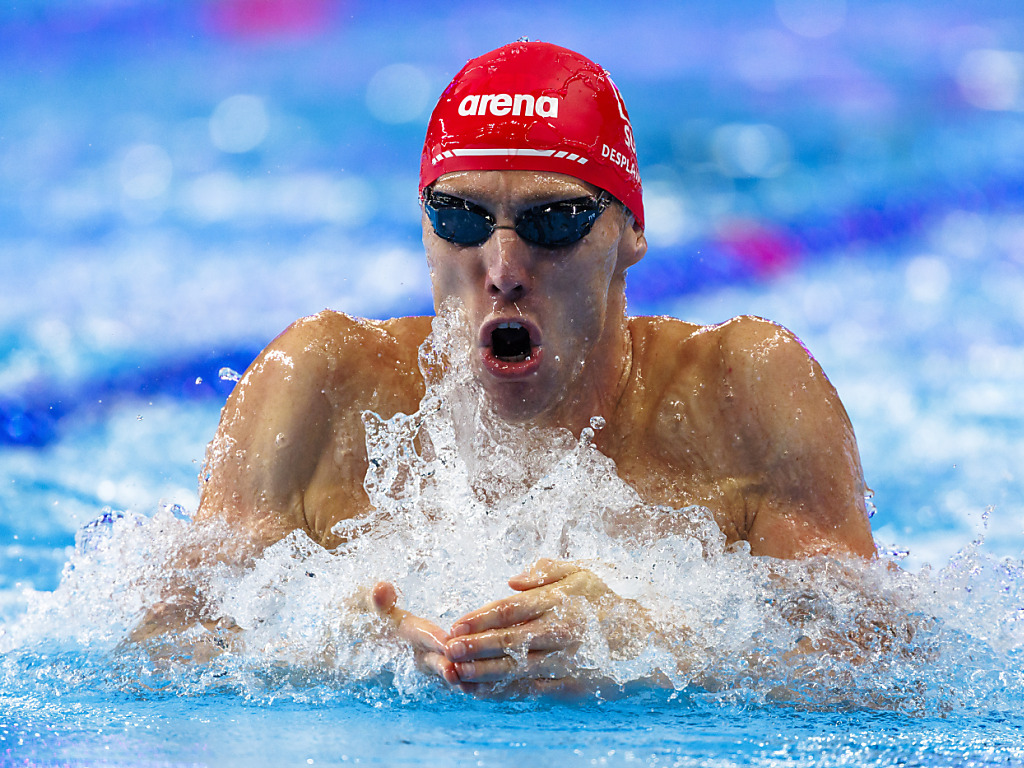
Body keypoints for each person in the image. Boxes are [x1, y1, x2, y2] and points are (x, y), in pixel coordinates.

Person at [134, 41, 876, 692]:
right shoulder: (319, 388)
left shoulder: (744, 393)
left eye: (555, 222)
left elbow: (881, 667)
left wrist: (653, 650)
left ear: (631, 231)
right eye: (461, 218)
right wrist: (327, 650)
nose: (503, 270)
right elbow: (152, 654)